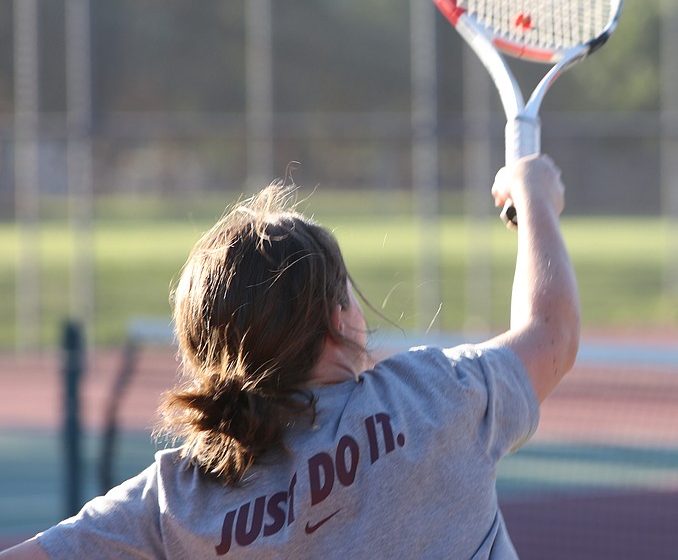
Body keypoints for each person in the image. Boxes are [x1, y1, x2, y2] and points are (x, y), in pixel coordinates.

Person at [1, 155, 579, 559]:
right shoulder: (435, 398)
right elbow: (551, 331)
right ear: (337, 319)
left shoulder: (177, 502)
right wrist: (535, 199)